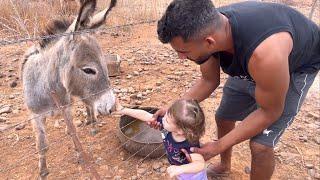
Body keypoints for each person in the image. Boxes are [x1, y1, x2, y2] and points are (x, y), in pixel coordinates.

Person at [152, 0, 320, 179]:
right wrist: (173, 109)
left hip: (296, 66)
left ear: (209, 42)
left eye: (183, 51)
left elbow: (270, 112)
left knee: (260, 146)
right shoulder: (208, 29)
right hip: (250, 62)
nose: (180, 57)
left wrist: (218, 146)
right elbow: (208, 80)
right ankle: (225, 166)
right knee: (224, 117)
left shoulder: (266, 55)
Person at [113, 99, 208, 179]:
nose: (163, 118)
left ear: (180, 131)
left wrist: (180, 169)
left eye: (167, 119)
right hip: (179, 171)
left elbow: (200, 164)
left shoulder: (190, 144)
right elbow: (146, 116)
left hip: (193, 176)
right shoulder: (166, 126)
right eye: (166, 114)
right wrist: (123, 110)